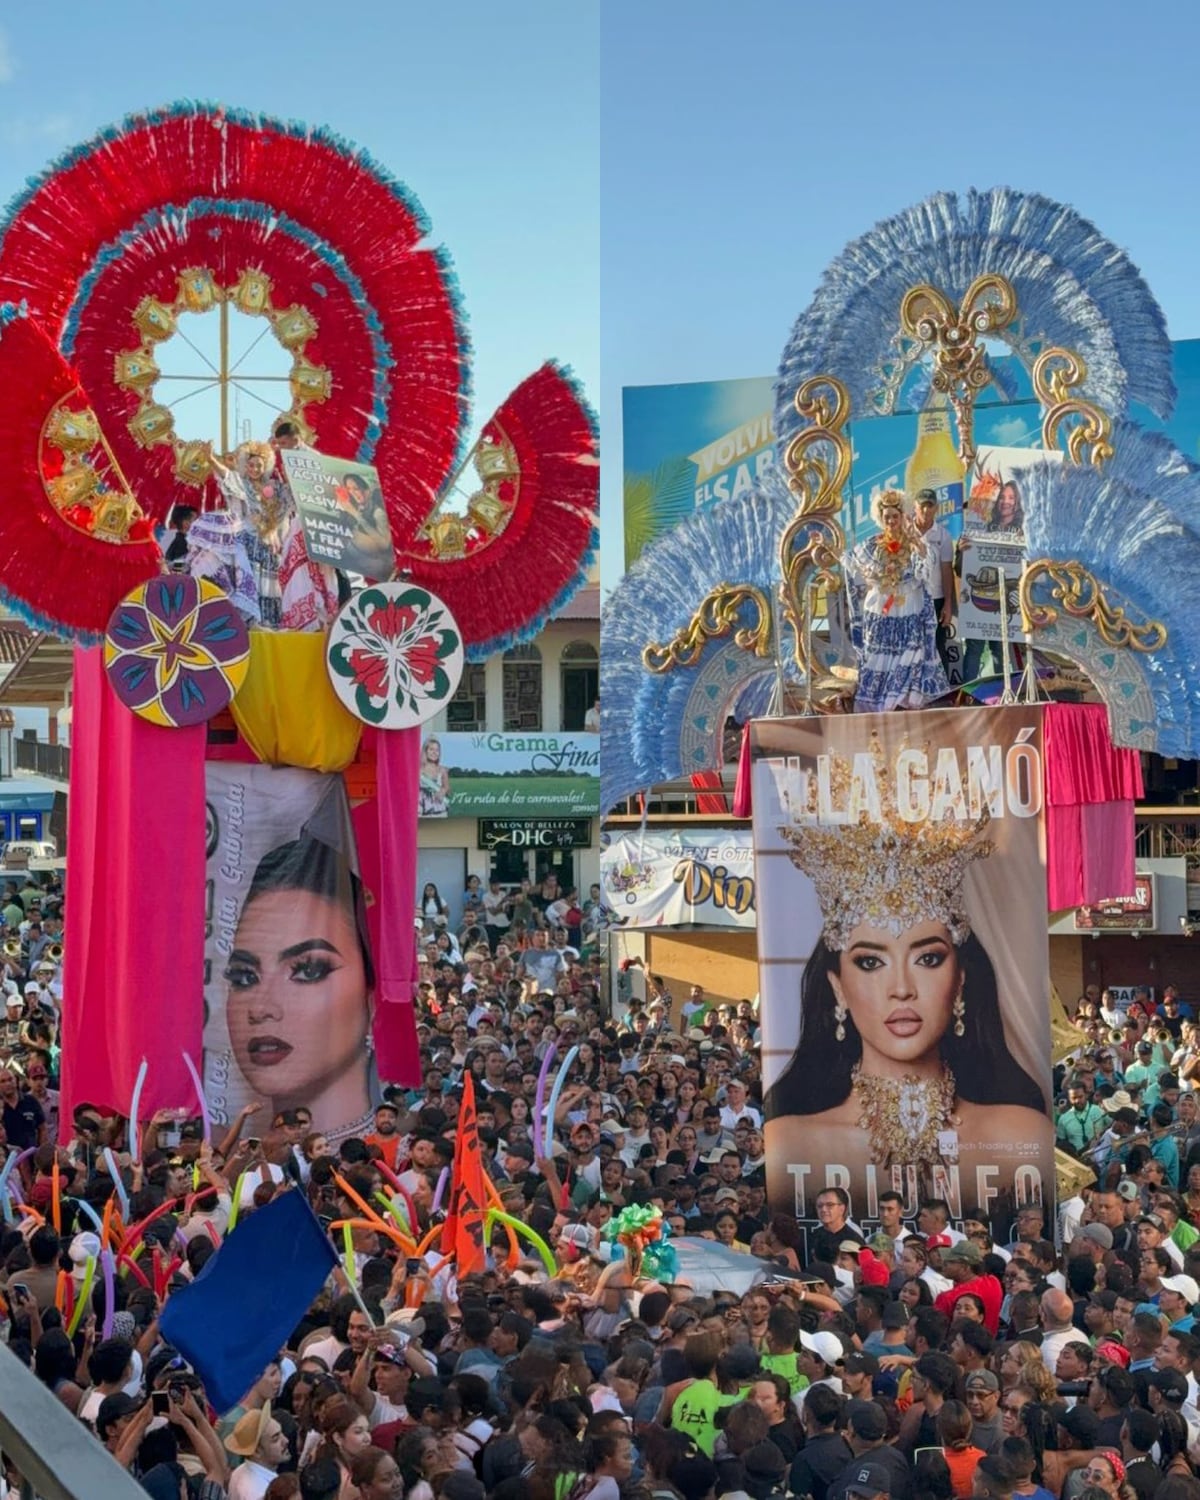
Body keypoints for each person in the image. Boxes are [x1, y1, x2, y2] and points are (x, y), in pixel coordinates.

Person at [768, 748, 1049, 1208]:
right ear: (837, 987)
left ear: (959, 980)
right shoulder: (792, 1140)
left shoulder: (1019, 1133)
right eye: (871, 962)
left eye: (928, 959)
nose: (902, 988)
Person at [225, 836, 375, 1144]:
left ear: (371, 996)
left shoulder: (397, 1153)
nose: (260, 1008)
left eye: (308, 970)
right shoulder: (214, 1152)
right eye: (244, 977)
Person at [843, 489, 950, 713]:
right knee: (879, 654)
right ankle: (881, 702)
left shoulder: (913, 542)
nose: (891, 521)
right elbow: (850, 563)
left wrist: (915, 542)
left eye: (895, 516)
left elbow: (927, 566)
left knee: (911, 653)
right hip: (882, 609)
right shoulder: (872, 545)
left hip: (909, 605)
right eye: (887, 517)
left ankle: (904, 699)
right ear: (880, 520)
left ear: (903, 516)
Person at [913, 490, 955, 673]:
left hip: (935, 598)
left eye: (930, 506)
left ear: (936, 508)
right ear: (915, 506)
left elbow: (947, 570)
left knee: (938, 645)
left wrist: (947, 603)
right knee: (912, 647)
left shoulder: (943, 535)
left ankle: (943, 693)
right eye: (922, 505)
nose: (925, 509)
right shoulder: (905, 532)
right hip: (910, 599)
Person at [419, 739, 451, 818]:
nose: (434, 752)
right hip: (422, 810)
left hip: (439, 810)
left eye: (437, 750)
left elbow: (447, 788)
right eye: (431, 749)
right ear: (425, 751)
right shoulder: (418, 770)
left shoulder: (442, 770)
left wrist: (443, 791)